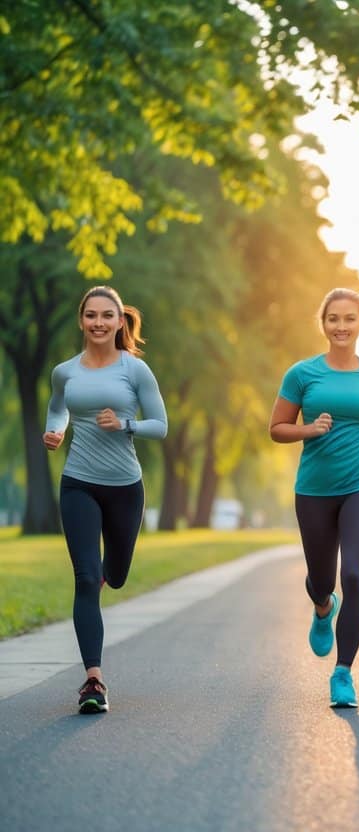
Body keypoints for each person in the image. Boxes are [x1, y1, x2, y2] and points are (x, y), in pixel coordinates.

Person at [269, 288, 359, 708]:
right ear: (323, 324)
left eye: (349, 319)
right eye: (334, 319)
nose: (341, 327)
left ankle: (343, 673)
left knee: (356, 575)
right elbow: (277, 427)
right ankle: (323, 606)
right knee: (323, 581)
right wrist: (309, 430)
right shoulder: (302, 374)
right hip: (313, 489)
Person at [44, 286, 168, 714]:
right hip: (78, 482)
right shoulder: (65, 371)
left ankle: (108, 574)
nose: (98, 322)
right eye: (91, 315)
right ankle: (93, 681)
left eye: (106, 316)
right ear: (82, 320)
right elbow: (57, 407)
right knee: (84, 577)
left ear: (119, 322)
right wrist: (56, 431)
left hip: (125, 489)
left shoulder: (135, 371)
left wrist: (126, 424)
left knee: (114, 575)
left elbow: (161, 425)